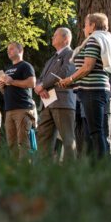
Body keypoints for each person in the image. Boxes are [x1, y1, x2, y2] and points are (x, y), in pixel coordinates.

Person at [59, 13, 111, 161]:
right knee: (98, 131)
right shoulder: (104, 39)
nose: (84, 28)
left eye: (85, 24)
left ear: (92, 26)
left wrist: (71, 78)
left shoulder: (93, 40)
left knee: (96, 132)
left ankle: (100, 168)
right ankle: (98, 167)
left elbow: (88, 67)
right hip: (97, 89)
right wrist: (72, 83)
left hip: (92, 91)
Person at [35, 28, 77, 162]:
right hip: (47, 103)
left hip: (63, 102)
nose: (52, 37)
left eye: (55, 35)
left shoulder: (71, 54)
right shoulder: (51, 59)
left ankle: (71, 172)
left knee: (67, 138)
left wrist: (43, 85)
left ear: (65, 39)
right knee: (43, 137)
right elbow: (40, 78)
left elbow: (64, 72)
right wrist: (40, 88)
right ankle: (45, 173)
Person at [0, 42, 37, 160]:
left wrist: (12, 82)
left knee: (23, 142)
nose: (8, 51)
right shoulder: (8, 69)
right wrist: (1, 86)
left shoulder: (25, 66)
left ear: (20, 50)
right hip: (9, 110)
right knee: (12, 143)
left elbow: (32, 83)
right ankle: (14, 172)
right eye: (8, 49)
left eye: (11, 49)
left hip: (23, 108)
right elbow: (7, 92)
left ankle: (25, 173)